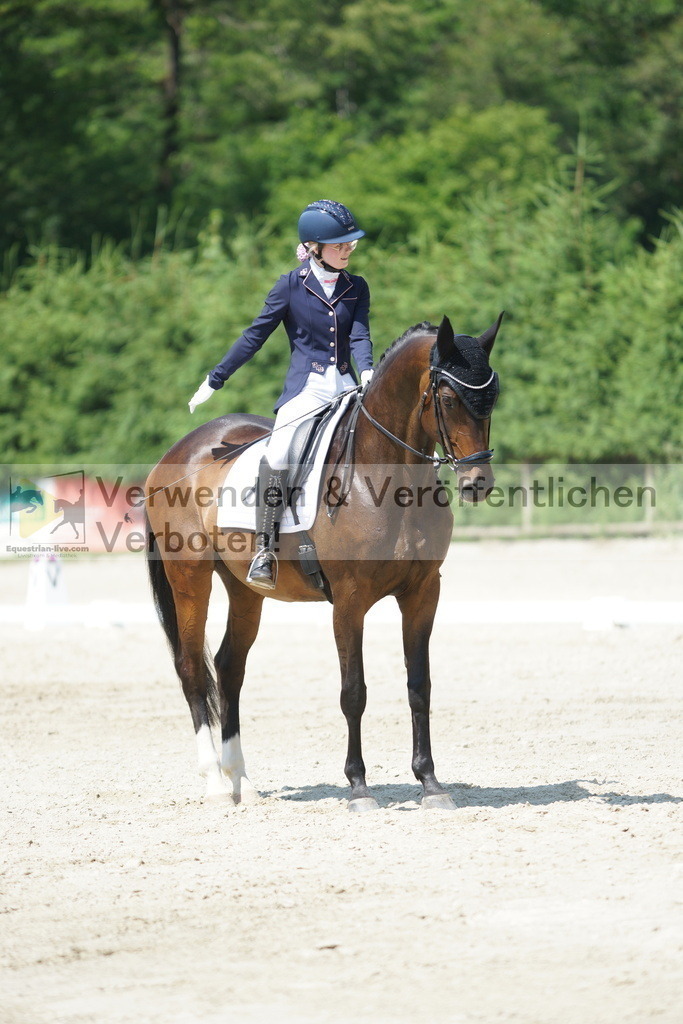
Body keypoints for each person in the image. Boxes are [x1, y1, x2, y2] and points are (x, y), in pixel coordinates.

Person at [188, 199, 374, 589]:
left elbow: (359, 334)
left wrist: (368, 367)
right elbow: (254, 337)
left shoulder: (357, 287)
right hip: (307, 389)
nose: (347, 250)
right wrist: (215, 379)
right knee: (279, 451)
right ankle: (265, 549)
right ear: (315, 247)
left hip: (345, 386)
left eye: (349, 244)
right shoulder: (290, 285)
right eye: (339, 244)